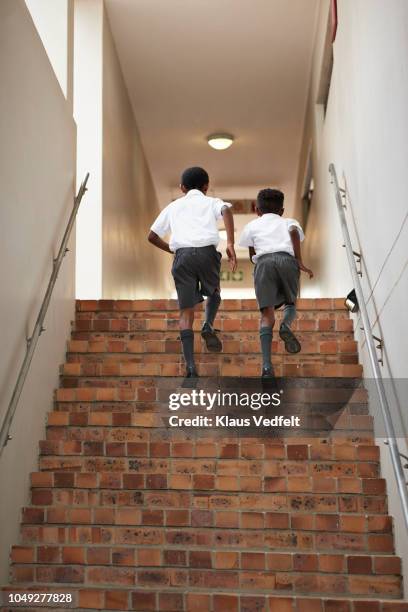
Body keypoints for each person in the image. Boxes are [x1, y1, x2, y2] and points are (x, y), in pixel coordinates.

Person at [148, 166, 237, 377]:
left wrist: (172, 249)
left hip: (183, 257)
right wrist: (231, 243)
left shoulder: (173, 207)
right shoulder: (212, 202)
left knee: (186, 312)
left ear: (181, 188)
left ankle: (190, 366)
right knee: (214, 291)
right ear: (206, 186)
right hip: (207, 253)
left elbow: (151, 236)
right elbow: (226, 210)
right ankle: (207, 324)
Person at [238, 188, 313, 378]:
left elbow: (252, 252)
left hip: (263, 263)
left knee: (267, 315)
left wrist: (258, 264)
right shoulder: (289, 221)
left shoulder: (252, 225)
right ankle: (286, 324)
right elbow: (294, 232)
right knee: (290, 302)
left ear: (257, 209)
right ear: (282, 210)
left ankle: (266, 367)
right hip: (287, 260)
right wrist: (299, 260)